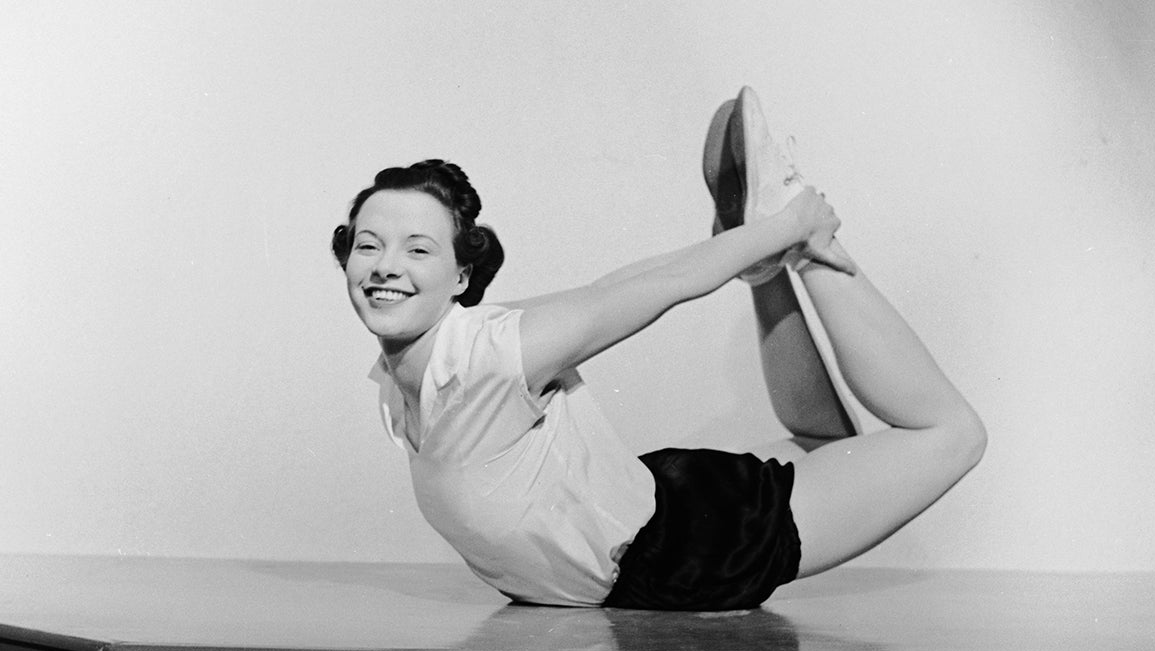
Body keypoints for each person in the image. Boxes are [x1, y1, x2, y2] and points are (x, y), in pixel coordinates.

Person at [330, 86, 986, 611]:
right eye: (369, 244)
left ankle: (802, 236)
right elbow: (607, 289)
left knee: (953, 434)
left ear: (460, 276)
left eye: (418, 249)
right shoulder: (400, 376)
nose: (386, 266)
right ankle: (767, 257)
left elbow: (653, 287)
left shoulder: (492, 355)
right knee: (825, 441)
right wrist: (748, 245)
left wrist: (795, 222)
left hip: (692, 552)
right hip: (651, 510)